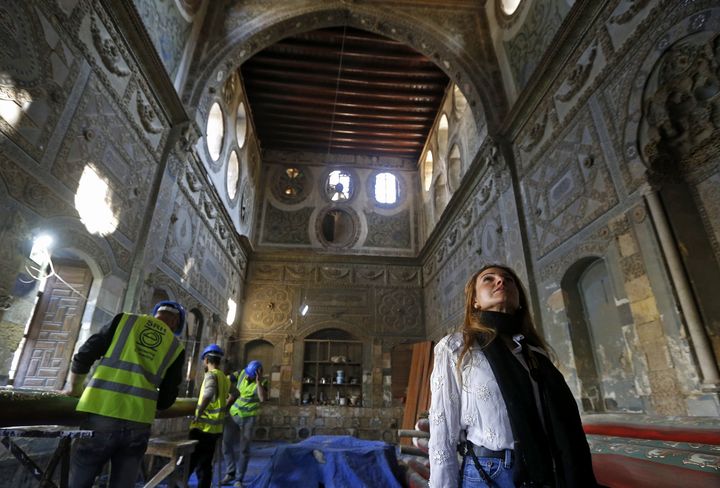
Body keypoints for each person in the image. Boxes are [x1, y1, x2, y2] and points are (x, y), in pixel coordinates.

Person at [428, 265, 598, 488]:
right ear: (475, 302)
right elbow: (443, 433)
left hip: (543, 469)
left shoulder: (535, 354)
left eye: (508, 279)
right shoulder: (456, 348)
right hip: (489, 472)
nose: (500, 282)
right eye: (489, 279)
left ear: (519, 300)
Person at [64, 300, 186, 488]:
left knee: (80, 481)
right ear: (176, 322)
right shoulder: (175, 347)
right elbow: (167, 398)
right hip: (138, 424)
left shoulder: (125, 321)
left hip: (101, 414)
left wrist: (74, 388)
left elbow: (86, 353)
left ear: (156, 313)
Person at [187, 344, 238, 488]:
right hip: (215, 429)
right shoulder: (224, 377)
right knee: (205, 464)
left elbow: (208, 394)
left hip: (202, 428)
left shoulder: (211, 375)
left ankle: (177, 484)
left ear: (206, 360)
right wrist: (225, 407)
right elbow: (235, 394)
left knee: (189, 463)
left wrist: (199, 413)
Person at [224, 360, 267, 487]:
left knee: (244, 449)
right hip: (234, 414)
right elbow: (226, 379)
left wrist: (258, 382)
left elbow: (262, 398)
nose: (248, 376)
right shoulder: (242, 373)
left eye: (251, 375)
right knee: (225, 444)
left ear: (257, 374)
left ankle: (239, 479)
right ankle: (230, 472)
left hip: (248, 419)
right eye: (248, 373)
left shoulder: (263, 382)